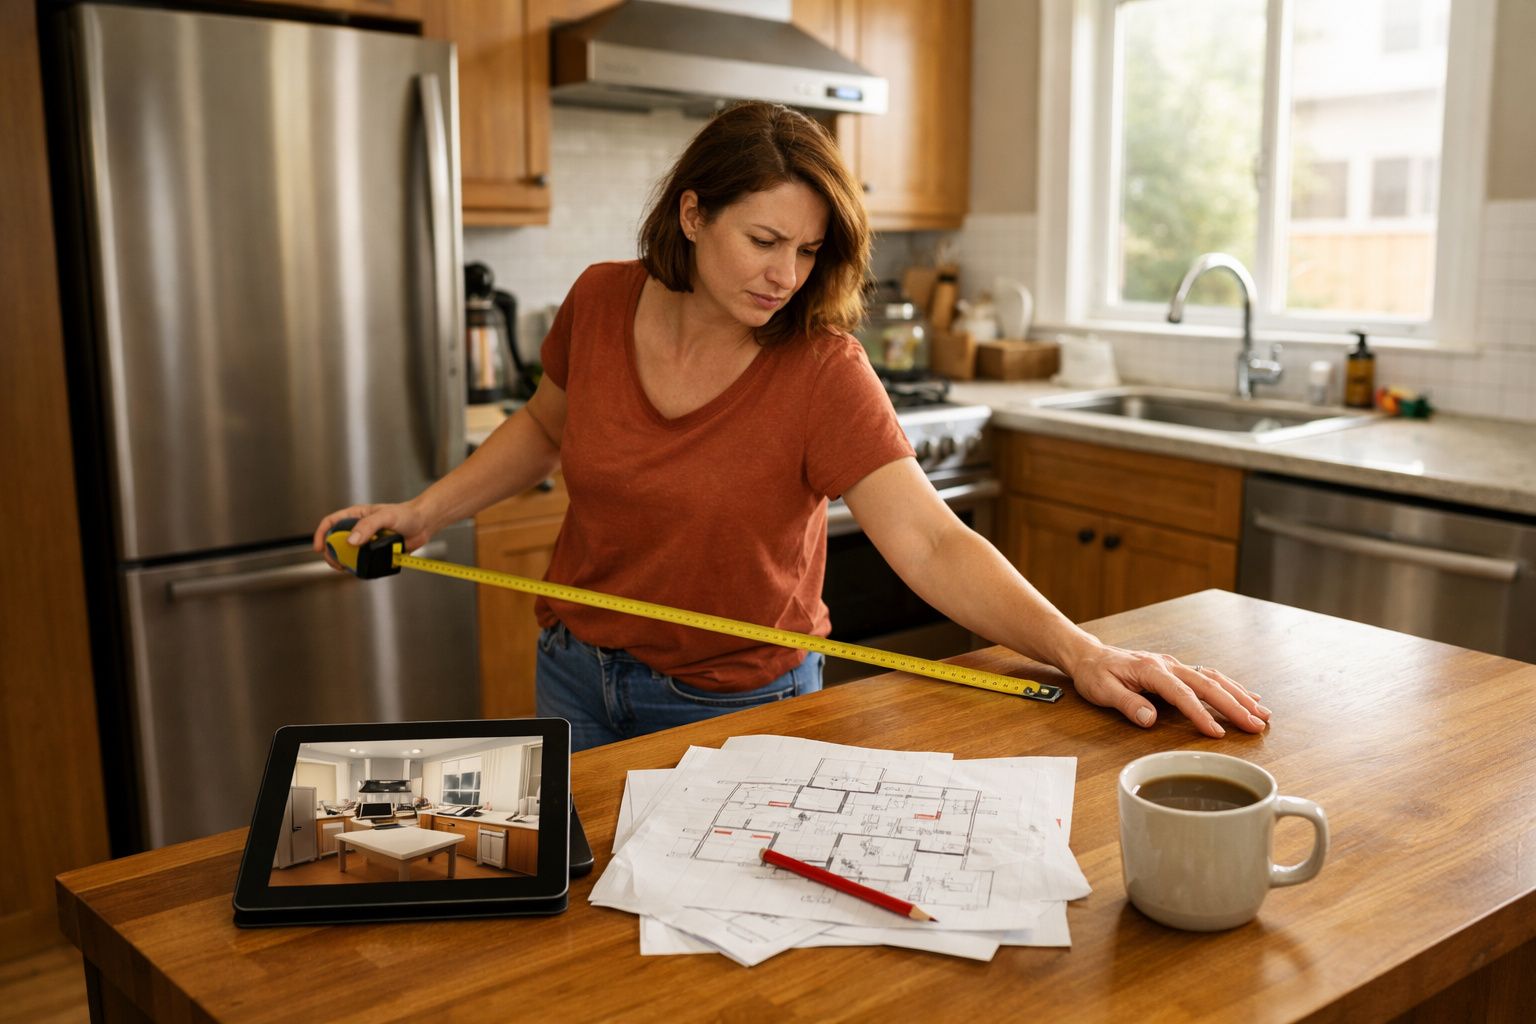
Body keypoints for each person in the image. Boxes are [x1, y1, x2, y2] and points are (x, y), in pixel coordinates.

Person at [313, 102, 1270, 751]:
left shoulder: (821, 368)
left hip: (733, 703)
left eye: (809, 251)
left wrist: (1082, 651)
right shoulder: (601, 301)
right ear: (692, 215)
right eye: (763, 241)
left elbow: (932, 541)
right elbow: (544, 426)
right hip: (572, 672)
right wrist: (426, 509)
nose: (785, 275)